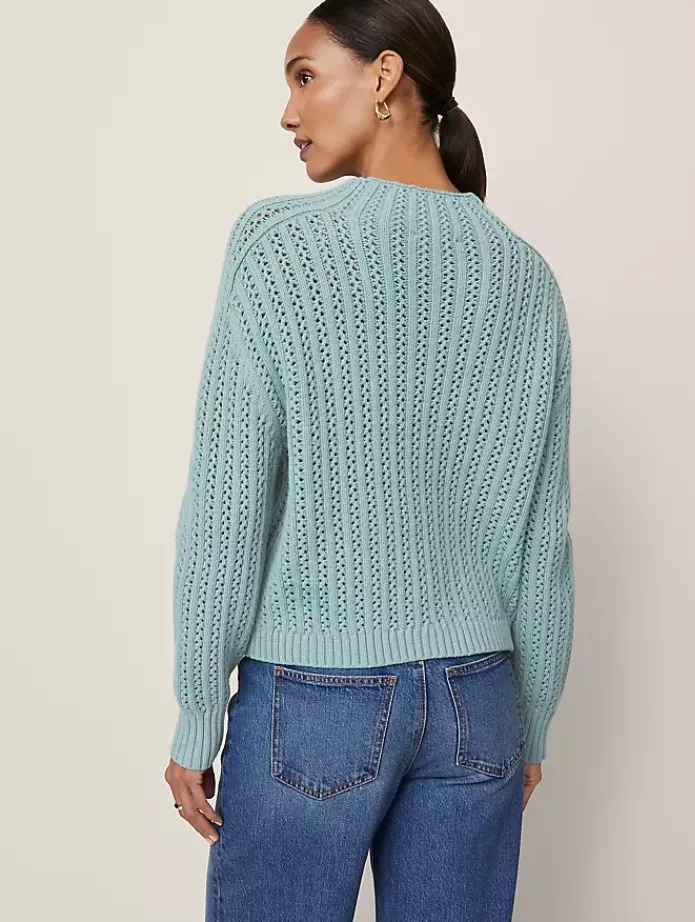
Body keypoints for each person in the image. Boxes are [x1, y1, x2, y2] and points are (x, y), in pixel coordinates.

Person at [164, 1, 575, 919]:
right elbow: (541, 537)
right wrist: (532, 721)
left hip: (315, 698)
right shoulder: (528, 277)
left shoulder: (280, 244)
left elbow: (229, 501)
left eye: (305, 76)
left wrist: (196, 709)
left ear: (385, 76)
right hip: (480, 701)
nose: (289, 112)